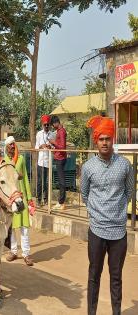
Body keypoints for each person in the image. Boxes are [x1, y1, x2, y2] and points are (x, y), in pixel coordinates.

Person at [81, 116, 133, 315]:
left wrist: (116, 211)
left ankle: (116, 312)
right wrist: (96, 213)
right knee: (94, 275)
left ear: (113, 140)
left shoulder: (124, 165)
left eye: (108, 139)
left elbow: (129, 192)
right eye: (101, 139)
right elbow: (84, 194)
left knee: (116, 276)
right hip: (96, 230)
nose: (105, 142)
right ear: (96, 141)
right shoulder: (88, 168)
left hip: (118, 232)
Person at [3, 136, 35, 266]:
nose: (12, 146)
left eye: (13, 144)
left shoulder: (21, 159)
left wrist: (29, 198)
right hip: (11, 199)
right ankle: (13, 251)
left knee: (24, 228)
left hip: (21, 197)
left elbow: (25, 178)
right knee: (12, 227)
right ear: (6, 147)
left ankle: (26, 254)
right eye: (10, 144)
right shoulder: (4, 161)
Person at [49, 115, 67, 210]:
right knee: (61, 180)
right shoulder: (59, 131)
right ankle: (61, 201)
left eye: (53, 125)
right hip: (59, 157)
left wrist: (53, 142)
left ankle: (61, 202)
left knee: (61, 181)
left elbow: (62, 146)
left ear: (56, 123)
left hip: (60, 158)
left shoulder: (61, 132)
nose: (52, 127)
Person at [35, 115, 52, 206]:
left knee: (46, 181)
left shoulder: (52, 134)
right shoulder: (39, 134)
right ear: (42, 125)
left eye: (48, 125)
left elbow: (54, 147)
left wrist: (50, 146)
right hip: (41, 161)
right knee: (40, 181)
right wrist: (40, 146)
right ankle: (38, 199)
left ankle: (46, 199)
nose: (46, 126)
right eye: (45, 125)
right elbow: (36, 147)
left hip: (48, 161)